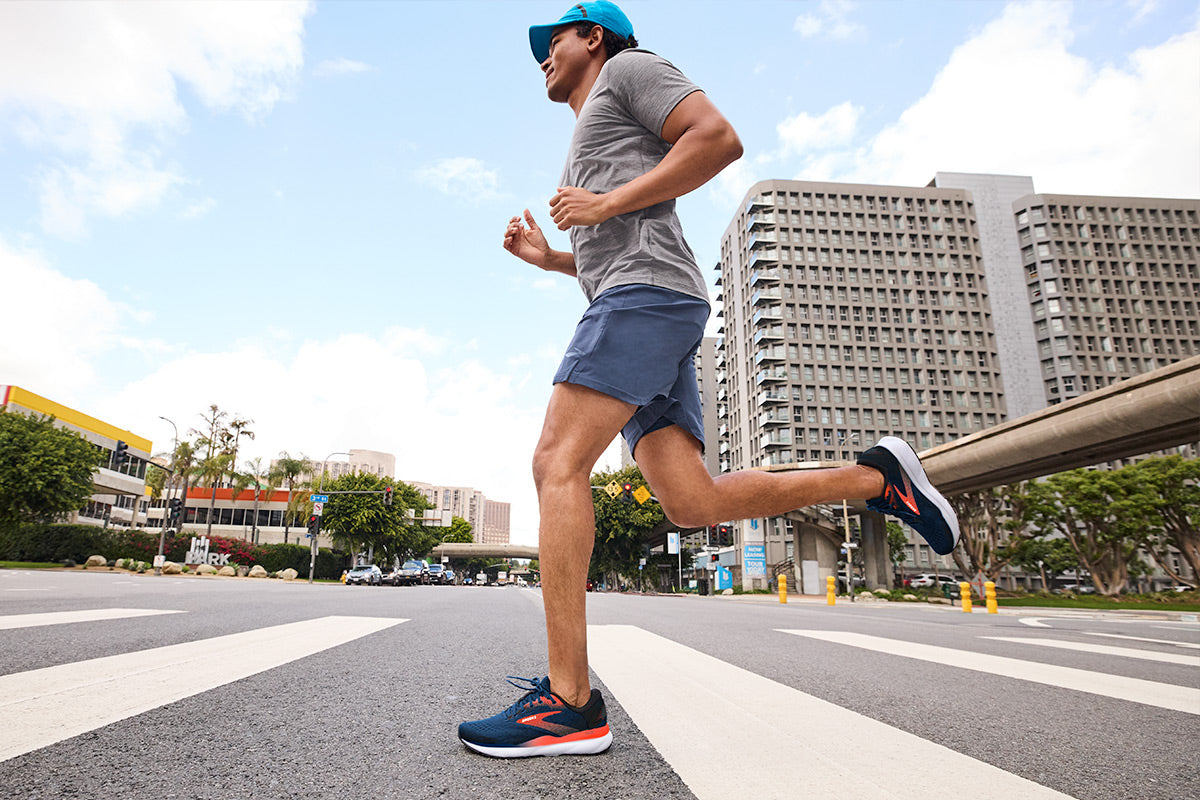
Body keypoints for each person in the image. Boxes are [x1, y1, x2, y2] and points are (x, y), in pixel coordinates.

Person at [457, 0, 960, 758]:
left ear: (594, 36)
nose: (542, 57)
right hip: (640, 297)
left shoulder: (630, 67)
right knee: (691, 503)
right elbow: (612, 245)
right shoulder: (586, 130)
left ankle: (570, 703)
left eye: (553, 40)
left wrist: (605, 202)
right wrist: (553, 258)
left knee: (556, 463)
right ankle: (874, 478)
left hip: (646, 300)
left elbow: (718, 139)